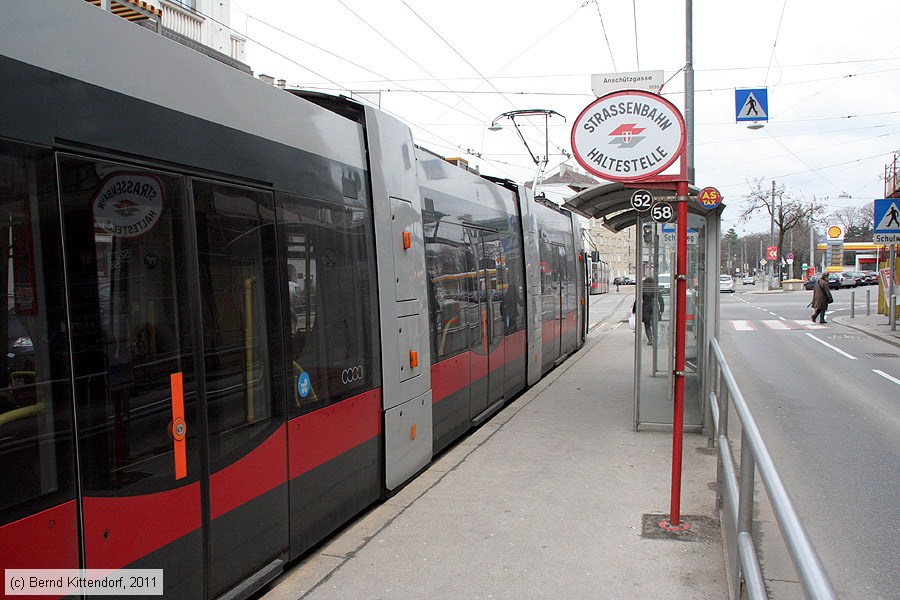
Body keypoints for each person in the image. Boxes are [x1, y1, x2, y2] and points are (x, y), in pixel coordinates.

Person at [632, 276, 664, 345]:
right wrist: (662, 308)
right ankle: (655, 339)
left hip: (646, 307)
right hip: (654, 307)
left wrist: (634, 309)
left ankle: (650, 340)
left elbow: (638, 299)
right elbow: (660, 299)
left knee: (647, 325)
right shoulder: (656, 288)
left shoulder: (643, 289)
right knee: (654, 324)